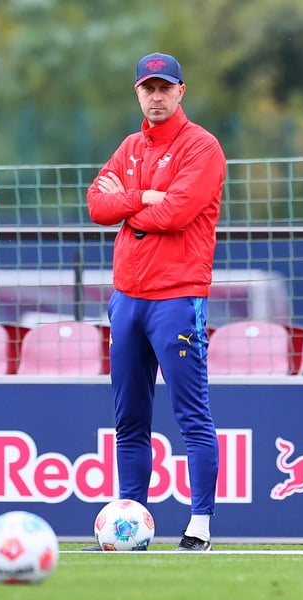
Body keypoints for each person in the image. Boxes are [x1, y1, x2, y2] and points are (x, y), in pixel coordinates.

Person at [86, 52, 226, 551]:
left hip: (177, 298)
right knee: (129, 419)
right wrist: (144, 196)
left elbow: (177, 212)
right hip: (127, 299)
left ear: (181, 91)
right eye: (149, 88)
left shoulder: (202, 147)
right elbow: (97, 204)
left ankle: (200, 526)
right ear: (138, 94)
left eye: (166, 87)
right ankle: (130, 518)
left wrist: (133, 198)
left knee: (191, 415)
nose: (157, 96)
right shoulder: (129, 146)